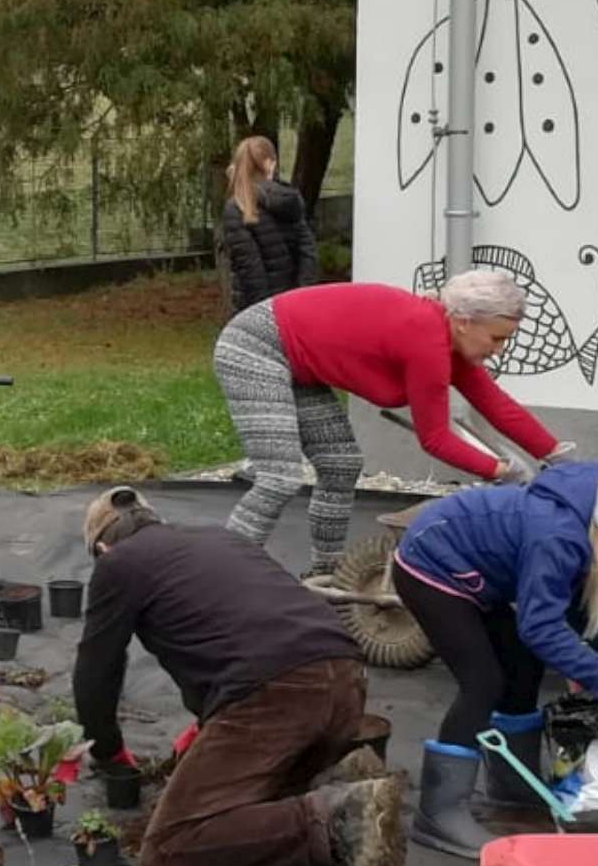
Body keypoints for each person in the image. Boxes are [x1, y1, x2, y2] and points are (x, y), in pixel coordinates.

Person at [72, 488, 408, 866]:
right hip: (345, 678)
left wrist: (107, 751)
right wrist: (209, 726)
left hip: (277, 695)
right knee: (258, 798)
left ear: (102, 548)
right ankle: (333, 775)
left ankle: (341, 816)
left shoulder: (117, 563)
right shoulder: (221, 537)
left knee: (170, 847)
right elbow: (238, 628)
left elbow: (96, 671)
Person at [392, 463, 598, 855]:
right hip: (431, 566)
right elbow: (541, 627)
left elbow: (582, 608)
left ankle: (513, 789)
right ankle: (439, 812)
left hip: (474, 573)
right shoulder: (557, 536)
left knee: (523, 666)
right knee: (482, 682)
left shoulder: (586, 524)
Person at [212, 273, 564, 576]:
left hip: (296, 361)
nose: (499, 350)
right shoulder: (426, 340)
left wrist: (559, 457)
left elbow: (497, 405)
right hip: (255, 346)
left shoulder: (450, 340)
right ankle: (221, 576)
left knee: (340, 464)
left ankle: (325, 573)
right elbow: (435, 439)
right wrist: (502, 470)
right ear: (465, 321)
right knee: (279, 477)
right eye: (497, 338)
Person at [219, 135, 321, 313]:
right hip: (293, 305)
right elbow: (308, 254)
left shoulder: (238, 207)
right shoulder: (290, 200)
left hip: (258, 310)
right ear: (270, 164)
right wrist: (300, 300)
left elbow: (251, 269)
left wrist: (265, 313)